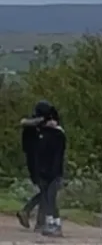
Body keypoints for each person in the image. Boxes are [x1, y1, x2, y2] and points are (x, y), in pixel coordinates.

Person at [17, 101, 66, 235]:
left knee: (46, 192)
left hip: (40, 162)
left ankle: (36, 218)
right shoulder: (36, 130)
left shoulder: (40, 130)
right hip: (38, 163)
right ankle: (38, 220)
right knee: (46, 192)